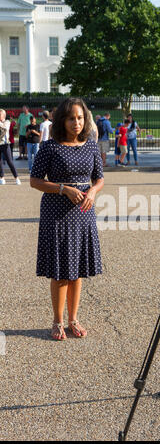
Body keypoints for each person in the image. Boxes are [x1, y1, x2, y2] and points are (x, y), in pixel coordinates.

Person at [30, 97, 104, 341]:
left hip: (83, 212)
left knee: (78, 269)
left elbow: (99, 178)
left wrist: (92, 191)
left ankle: (74, 319)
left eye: (80, 118)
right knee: (60, 270)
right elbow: (35, 181)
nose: (77, 123)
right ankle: (58, 321)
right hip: (57, 212)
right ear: (62, 119)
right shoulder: (50, 147)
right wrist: (64, 189)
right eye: (72, 118)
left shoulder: (91, 146)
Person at [0, 109, 21, 185]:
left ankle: (16, 178)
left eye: (0, 114)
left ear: (3, 116)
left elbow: (4, 127)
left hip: (5, 144)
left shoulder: (7, 122)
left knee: (10, 161)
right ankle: (2, 178)